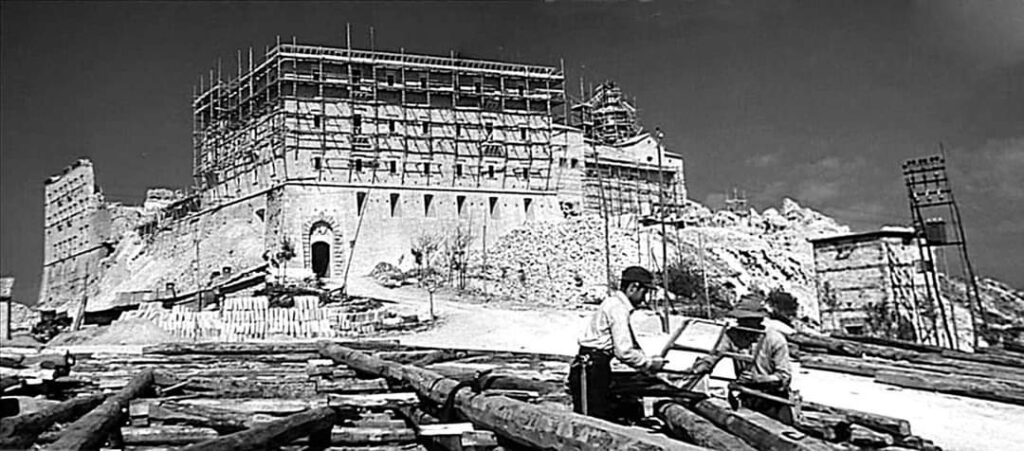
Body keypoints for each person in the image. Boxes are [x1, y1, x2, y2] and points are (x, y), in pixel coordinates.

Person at [569, 266, 668, 420]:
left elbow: (627, 344)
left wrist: (645, 359)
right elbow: (623, 351)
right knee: (592, 420)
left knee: (596, 415)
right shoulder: (618, 308)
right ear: (633, 287)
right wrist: (649, 364)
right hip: (591, 368)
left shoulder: (614, 304)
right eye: (644, 292)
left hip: (594, 365)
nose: (644, 297)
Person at [689, 293, 795, 424]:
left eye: (747, 320)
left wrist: (759, 379)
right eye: (740, 320)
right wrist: (699, 368)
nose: (742, 323)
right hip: (747, 396)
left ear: (758, 320)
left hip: (773, 400)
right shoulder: (732, 335)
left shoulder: (774, 339)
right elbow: (714, 356)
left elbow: (784, 377)